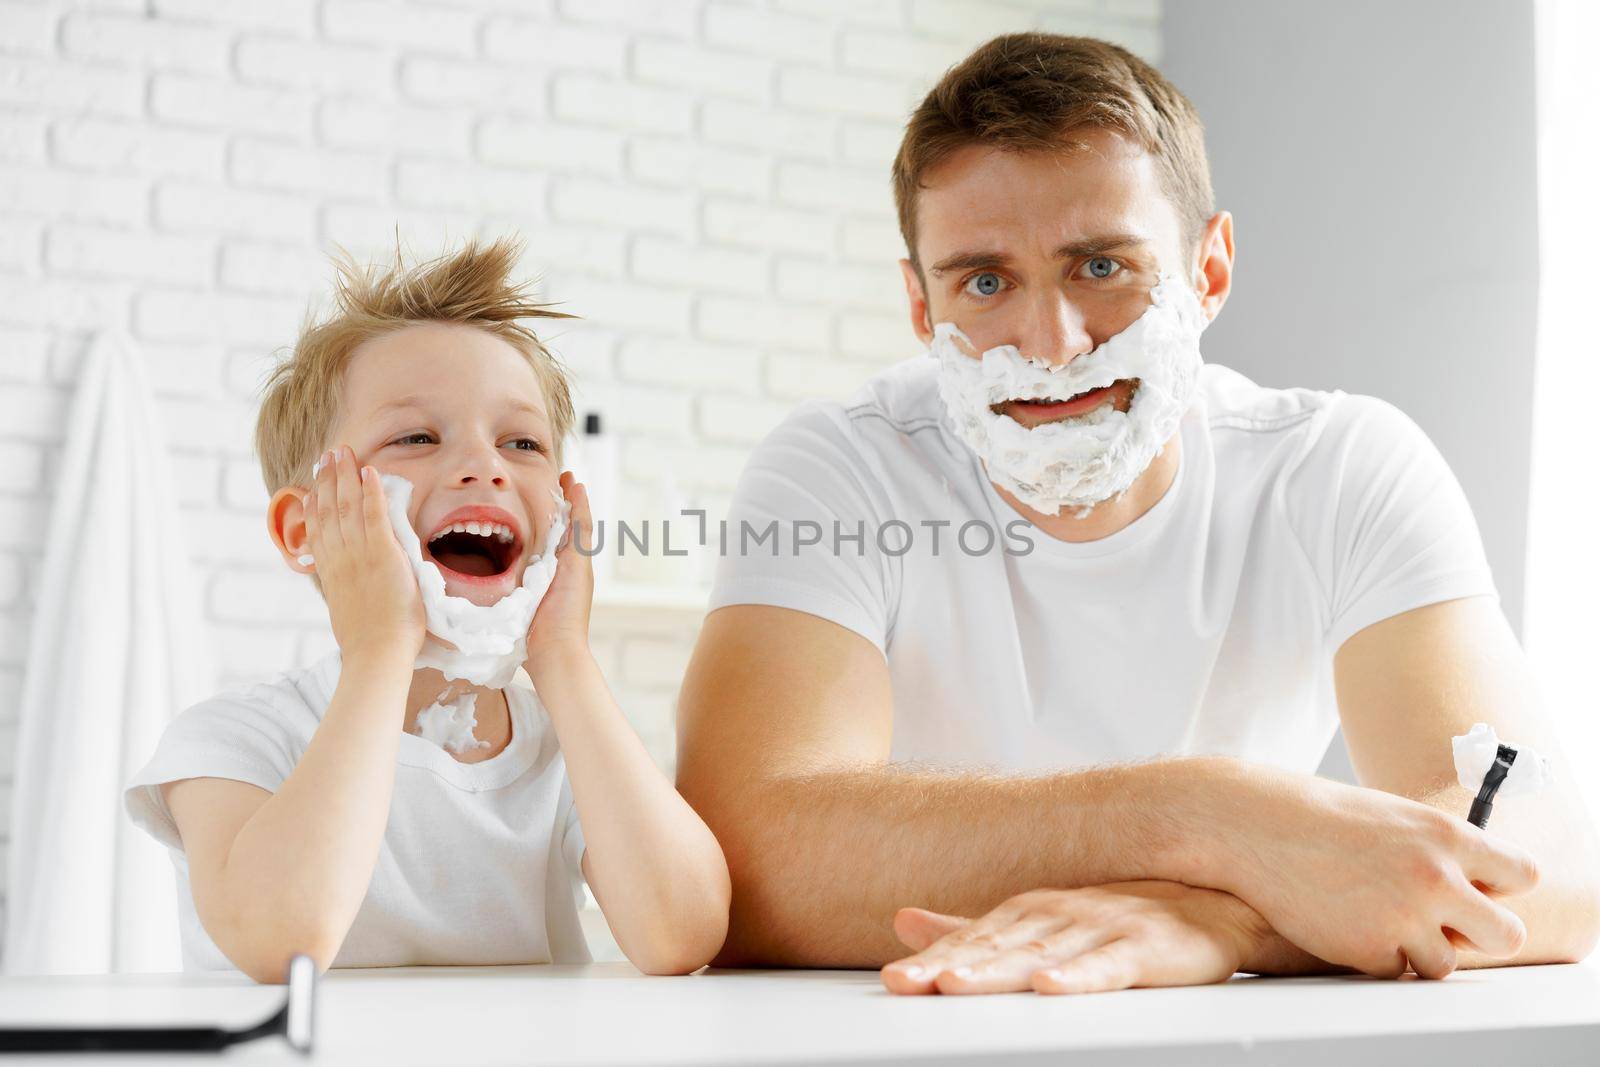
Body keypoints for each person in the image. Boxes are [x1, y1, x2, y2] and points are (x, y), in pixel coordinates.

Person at [675, 33, 1600, 995]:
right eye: (984, 282)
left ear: (1208, 272)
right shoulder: (842, 469)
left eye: (1102, 267)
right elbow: (743, 863)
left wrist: (1229, 918)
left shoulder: (1338, 471)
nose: (1051, 341)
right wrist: (1208, 818)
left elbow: (1546, 862)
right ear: (921, 306)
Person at [124, 238, 729, 982]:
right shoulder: (235, 742)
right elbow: (281, 939)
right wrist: (380, 648)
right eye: (416, 436)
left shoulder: (563, 752)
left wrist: (564, 656)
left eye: (523, 441)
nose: (487, 465)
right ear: (306, 528)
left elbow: (683, 931)